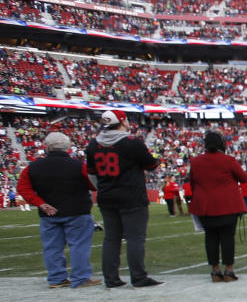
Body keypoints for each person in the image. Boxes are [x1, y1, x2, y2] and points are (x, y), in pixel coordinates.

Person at [85, 110, 162, 288]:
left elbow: (91, 174)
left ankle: (111, 278)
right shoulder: (131, 142)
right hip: (131, 196)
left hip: (106, 196)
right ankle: (139, 277)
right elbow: (151, 164)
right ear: (122, 121)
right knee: (135, 238)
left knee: (111, 239)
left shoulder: (93, 144)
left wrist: (104, 188)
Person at [17, 131, 100, 289]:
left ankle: (56, 279)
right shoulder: (78, 166)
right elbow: (93, 185)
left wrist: (40, 203)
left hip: (49, 212)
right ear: (68, 147)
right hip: (77, 211)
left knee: (52, 247)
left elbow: (23, 188)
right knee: (79, 246)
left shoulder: (32, 167)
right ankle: (80, 277)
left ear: (46, 147)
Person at [187, 131, 247, 282]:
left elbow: (192, 183)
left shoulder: (196, 161)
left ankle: (215, 271)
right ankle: (229, 270)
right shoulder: (228, 160)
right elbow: (244, 178)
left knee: (210, 238)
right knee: (228, 238)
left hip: (205, 207)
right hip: (227, 206)